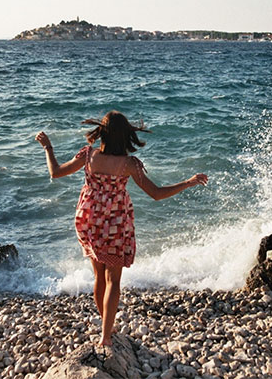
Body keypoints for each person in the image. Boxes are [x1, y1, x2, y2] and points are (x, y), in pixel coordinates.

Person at [35, 110, 208, 346]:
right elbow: (156, 194)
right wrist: (188, 182)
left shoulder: (88, 155)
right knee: (113, 281)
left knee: (99, 276)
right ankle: (106, 336)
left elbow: (55, 172)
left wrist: (48, 147)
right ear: (126, 136)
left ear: (102, 133)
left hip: (89, 220)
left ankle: (107, 326)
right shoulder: (129, 164)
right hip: (115, 223)